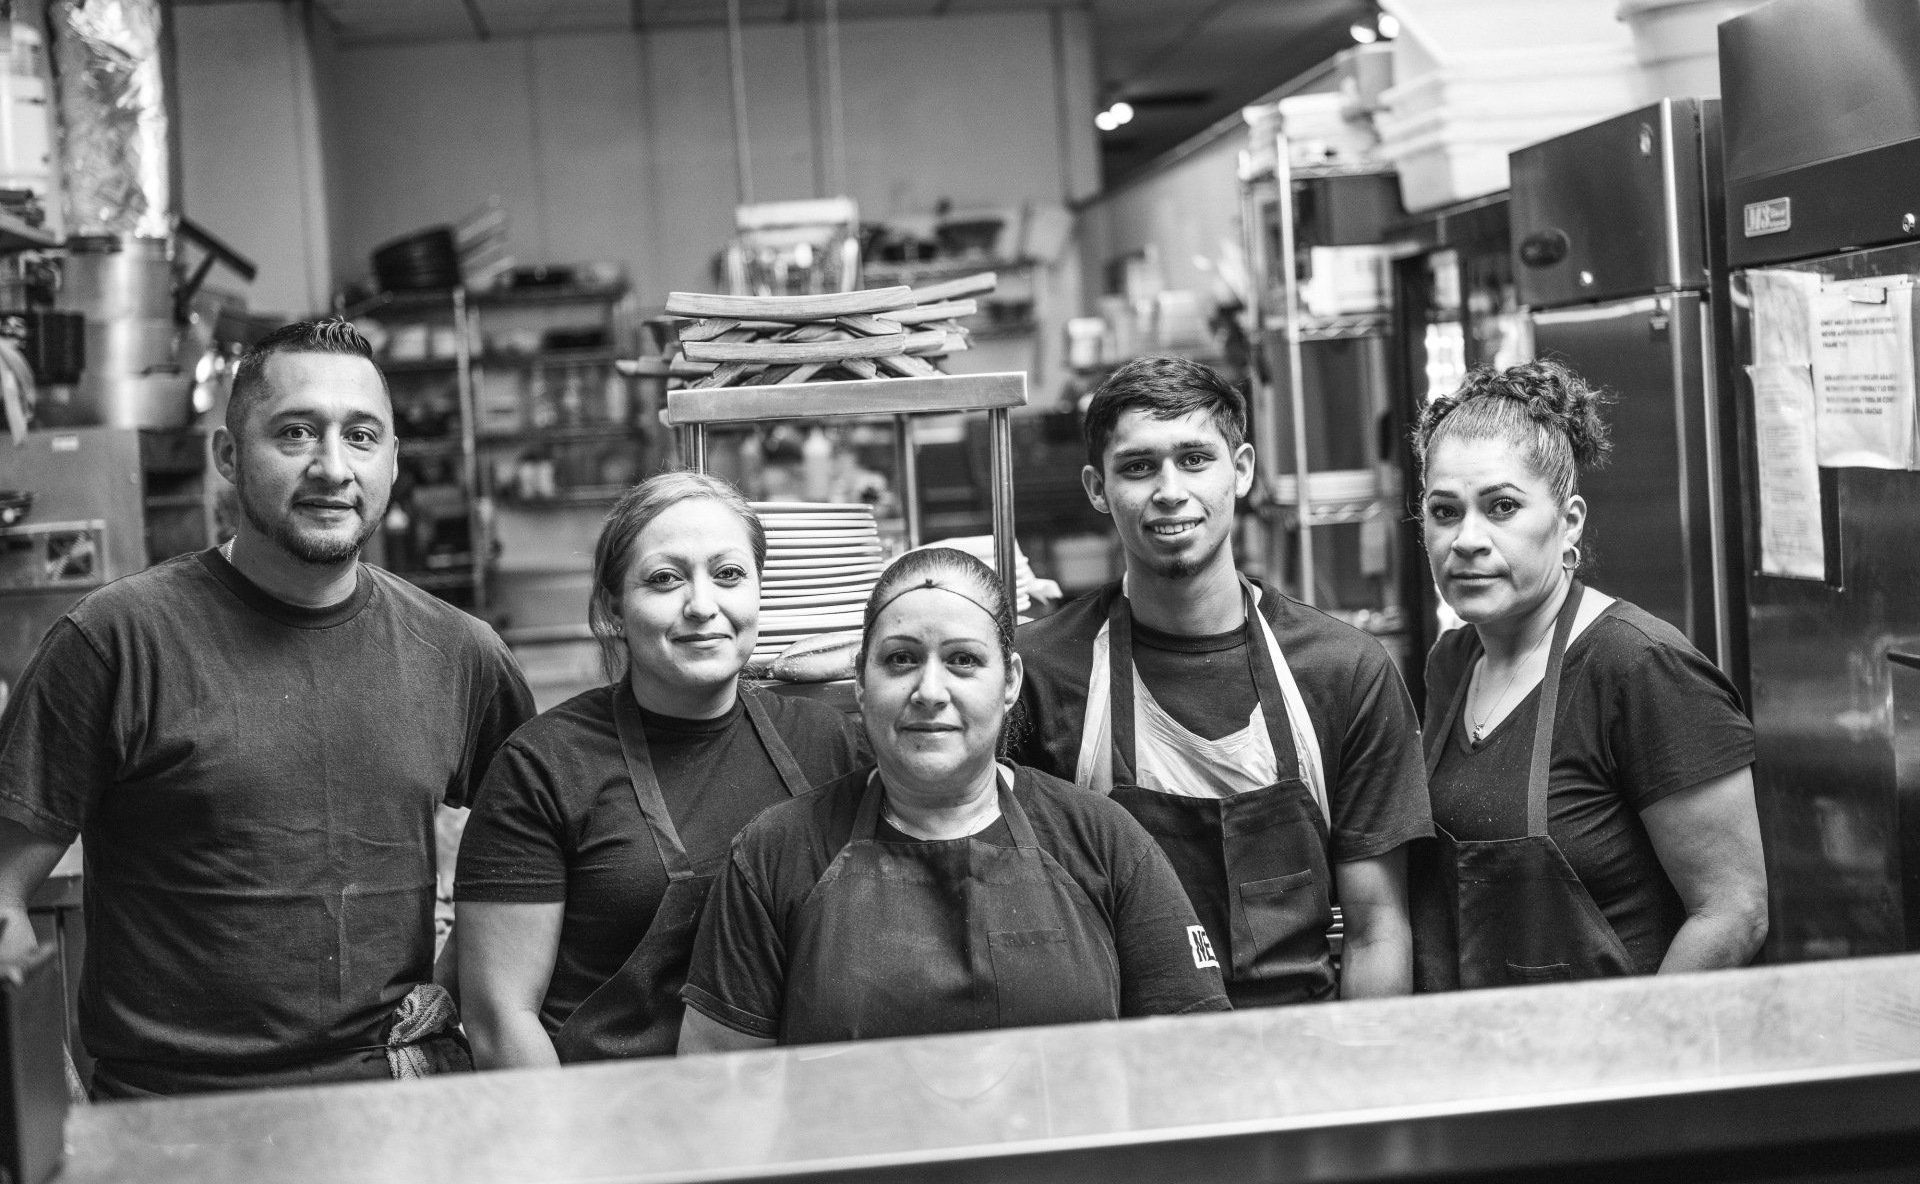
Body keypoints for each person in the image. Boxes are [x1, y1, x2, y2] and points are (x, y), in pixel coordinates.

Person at [0, 319, 534, 1098]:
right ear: (227, 457)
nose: (331, 467)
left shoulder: (460, 653)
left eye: (360, 436)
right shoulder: (116, 642)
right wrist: (51, 1110)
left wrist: (460, 979)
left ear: (392, 461)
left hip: (398, 1106)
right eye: (294, 433)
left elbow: (536, 866)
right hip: (176, 1119)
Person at [678, 548, 1229, 1049]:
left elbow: (1193, 1059)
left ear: (1010, 681)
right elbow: (720, 1092)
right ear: (861, 683)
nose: (931, 692)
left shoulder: (1103, 839)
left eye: (964, 660)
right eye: (900, 660)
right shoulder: (775, 854)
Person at [1009, 356, 1431, 1006]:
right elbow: (1030, 932)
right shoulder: (1042, 676)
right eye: (1139, 466)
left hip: (1304, 1063)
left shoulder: (1343, 671)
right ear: (1098, 487)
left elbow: (1378, 931)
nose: (1169, 490)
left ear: (1242, 471)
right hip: (1125, 1064)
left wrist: (1361, 1088)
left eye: (1195, 459)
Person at [456, 472, 862, 1065]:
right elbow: (499, 1020)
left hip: (804, 1113)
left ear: (758, 593)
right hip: (614, 1127)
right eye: (665, 580)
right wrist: (570, 1152)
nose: (703, 606)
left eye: (728, 575)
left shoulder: (828, 743)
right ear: (613, 607)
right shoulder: (543, 767)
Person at [1410, 360, 1768, 988]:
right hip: (1485, 1061)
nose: (1467, 538)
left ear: (1569, 520)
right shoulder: (1452, 662)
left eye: (1502, 507)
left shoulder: (1639, 666)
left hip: (1611, 1065)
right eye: (1444, 512)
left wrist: (1630, 1056)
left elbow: (1734, 913)